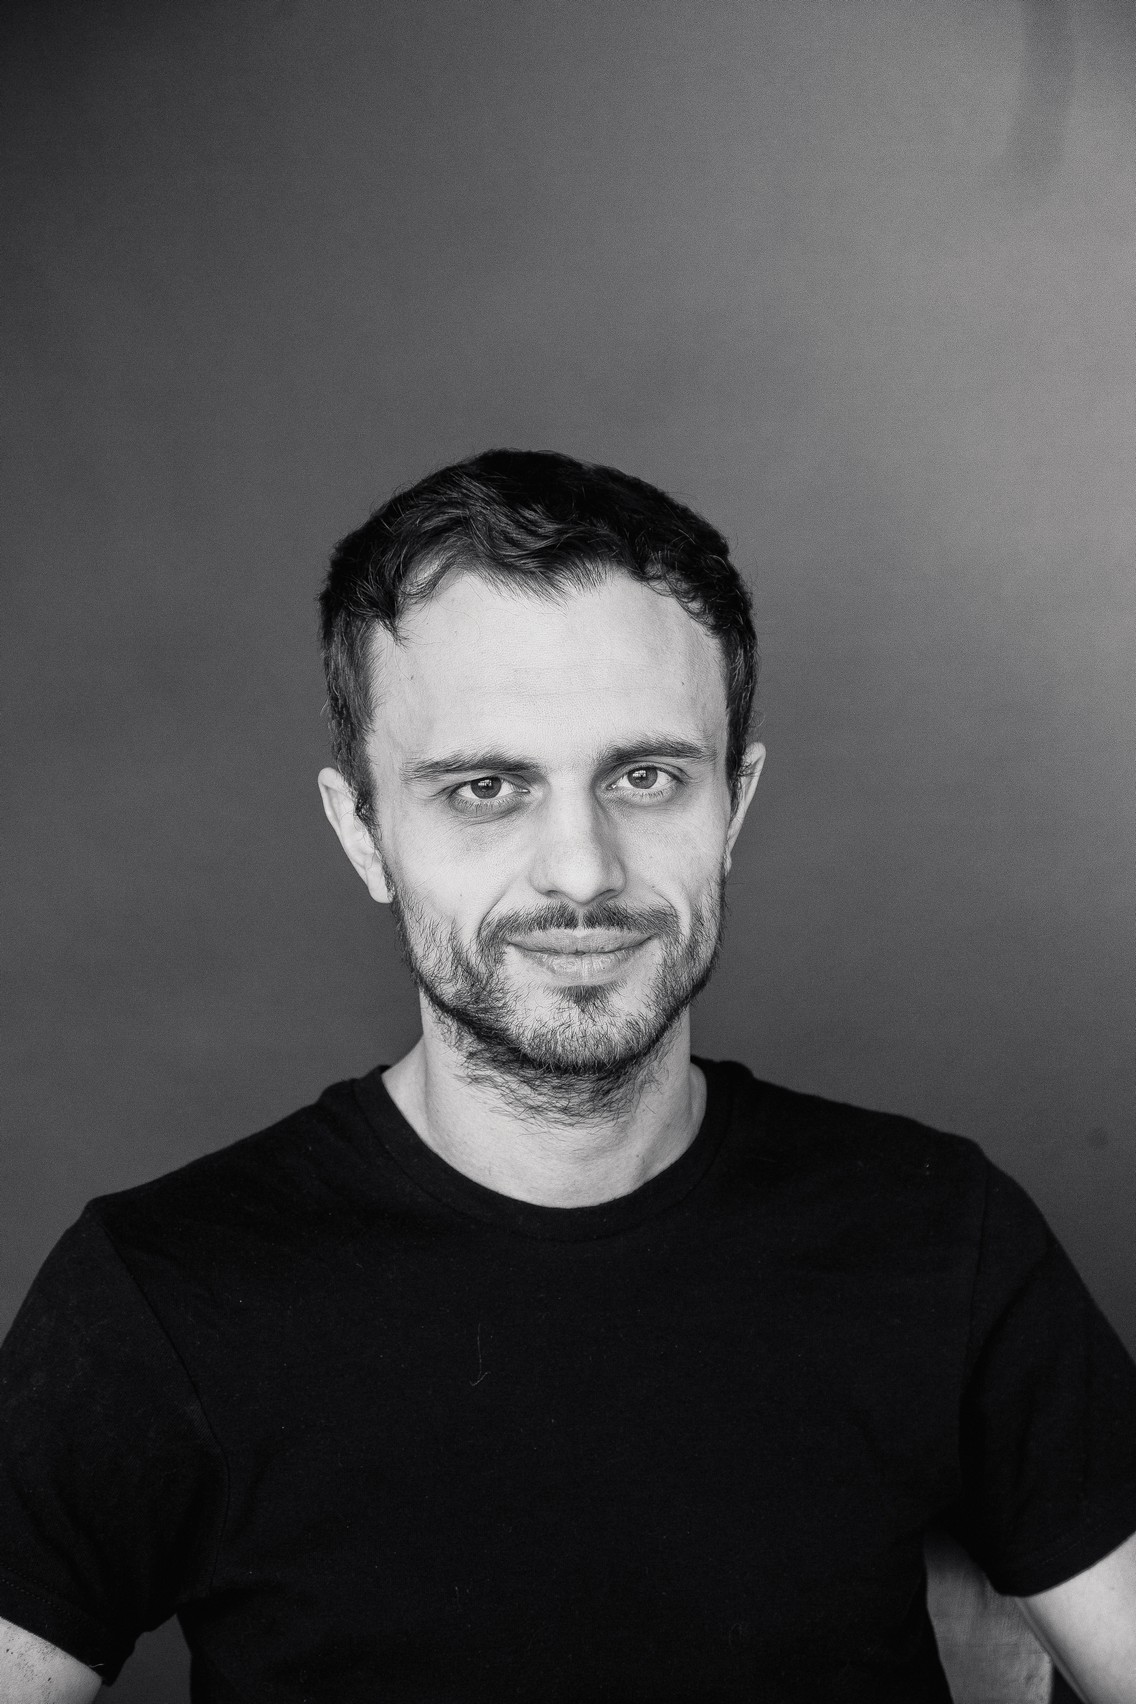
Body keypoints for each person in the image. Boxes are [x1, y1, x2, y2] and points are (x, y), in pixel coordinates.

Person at [1, 450, 1134, 1703]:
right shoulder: (161, 1294)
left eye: (645, 778)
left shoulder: (939, 1235)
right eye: (485, 789)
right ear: (361, 832)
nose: (581, 870)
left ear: (732, 806)